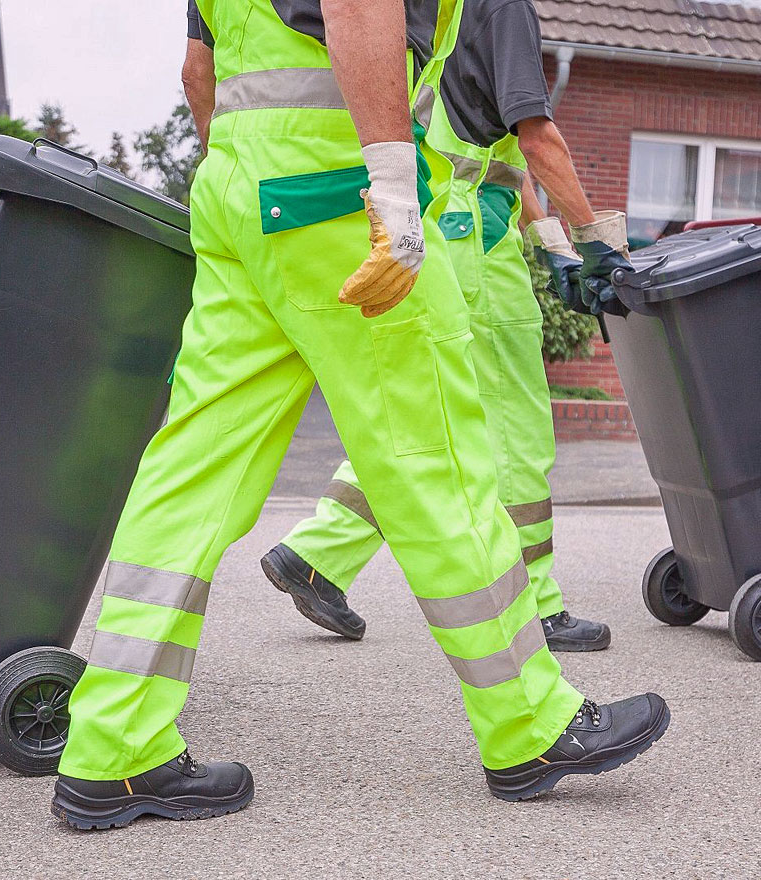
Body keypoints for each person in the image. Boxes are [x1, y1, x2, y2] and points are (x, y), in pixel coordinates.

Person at [49, 0, 669, 830]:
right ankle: (530, 725)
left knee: (192, 467)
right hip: (342, 190)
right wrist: (390, 189)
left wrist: (252, 179)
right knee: (435, 455)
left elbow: (198, 70)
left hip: (240, 184)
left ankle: (113, 747)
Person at [258, 0, 624, 653]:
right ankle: (536, 603)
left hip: (451, 220)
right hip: (478, 246)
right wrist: (601, 243)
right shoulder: (506, 9)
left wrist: (554, 243)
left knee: (430, 421)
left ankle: (315, 554)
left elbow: (507, 156)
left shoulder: (453, 10)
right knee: (516, 431)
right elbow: (538, 137)